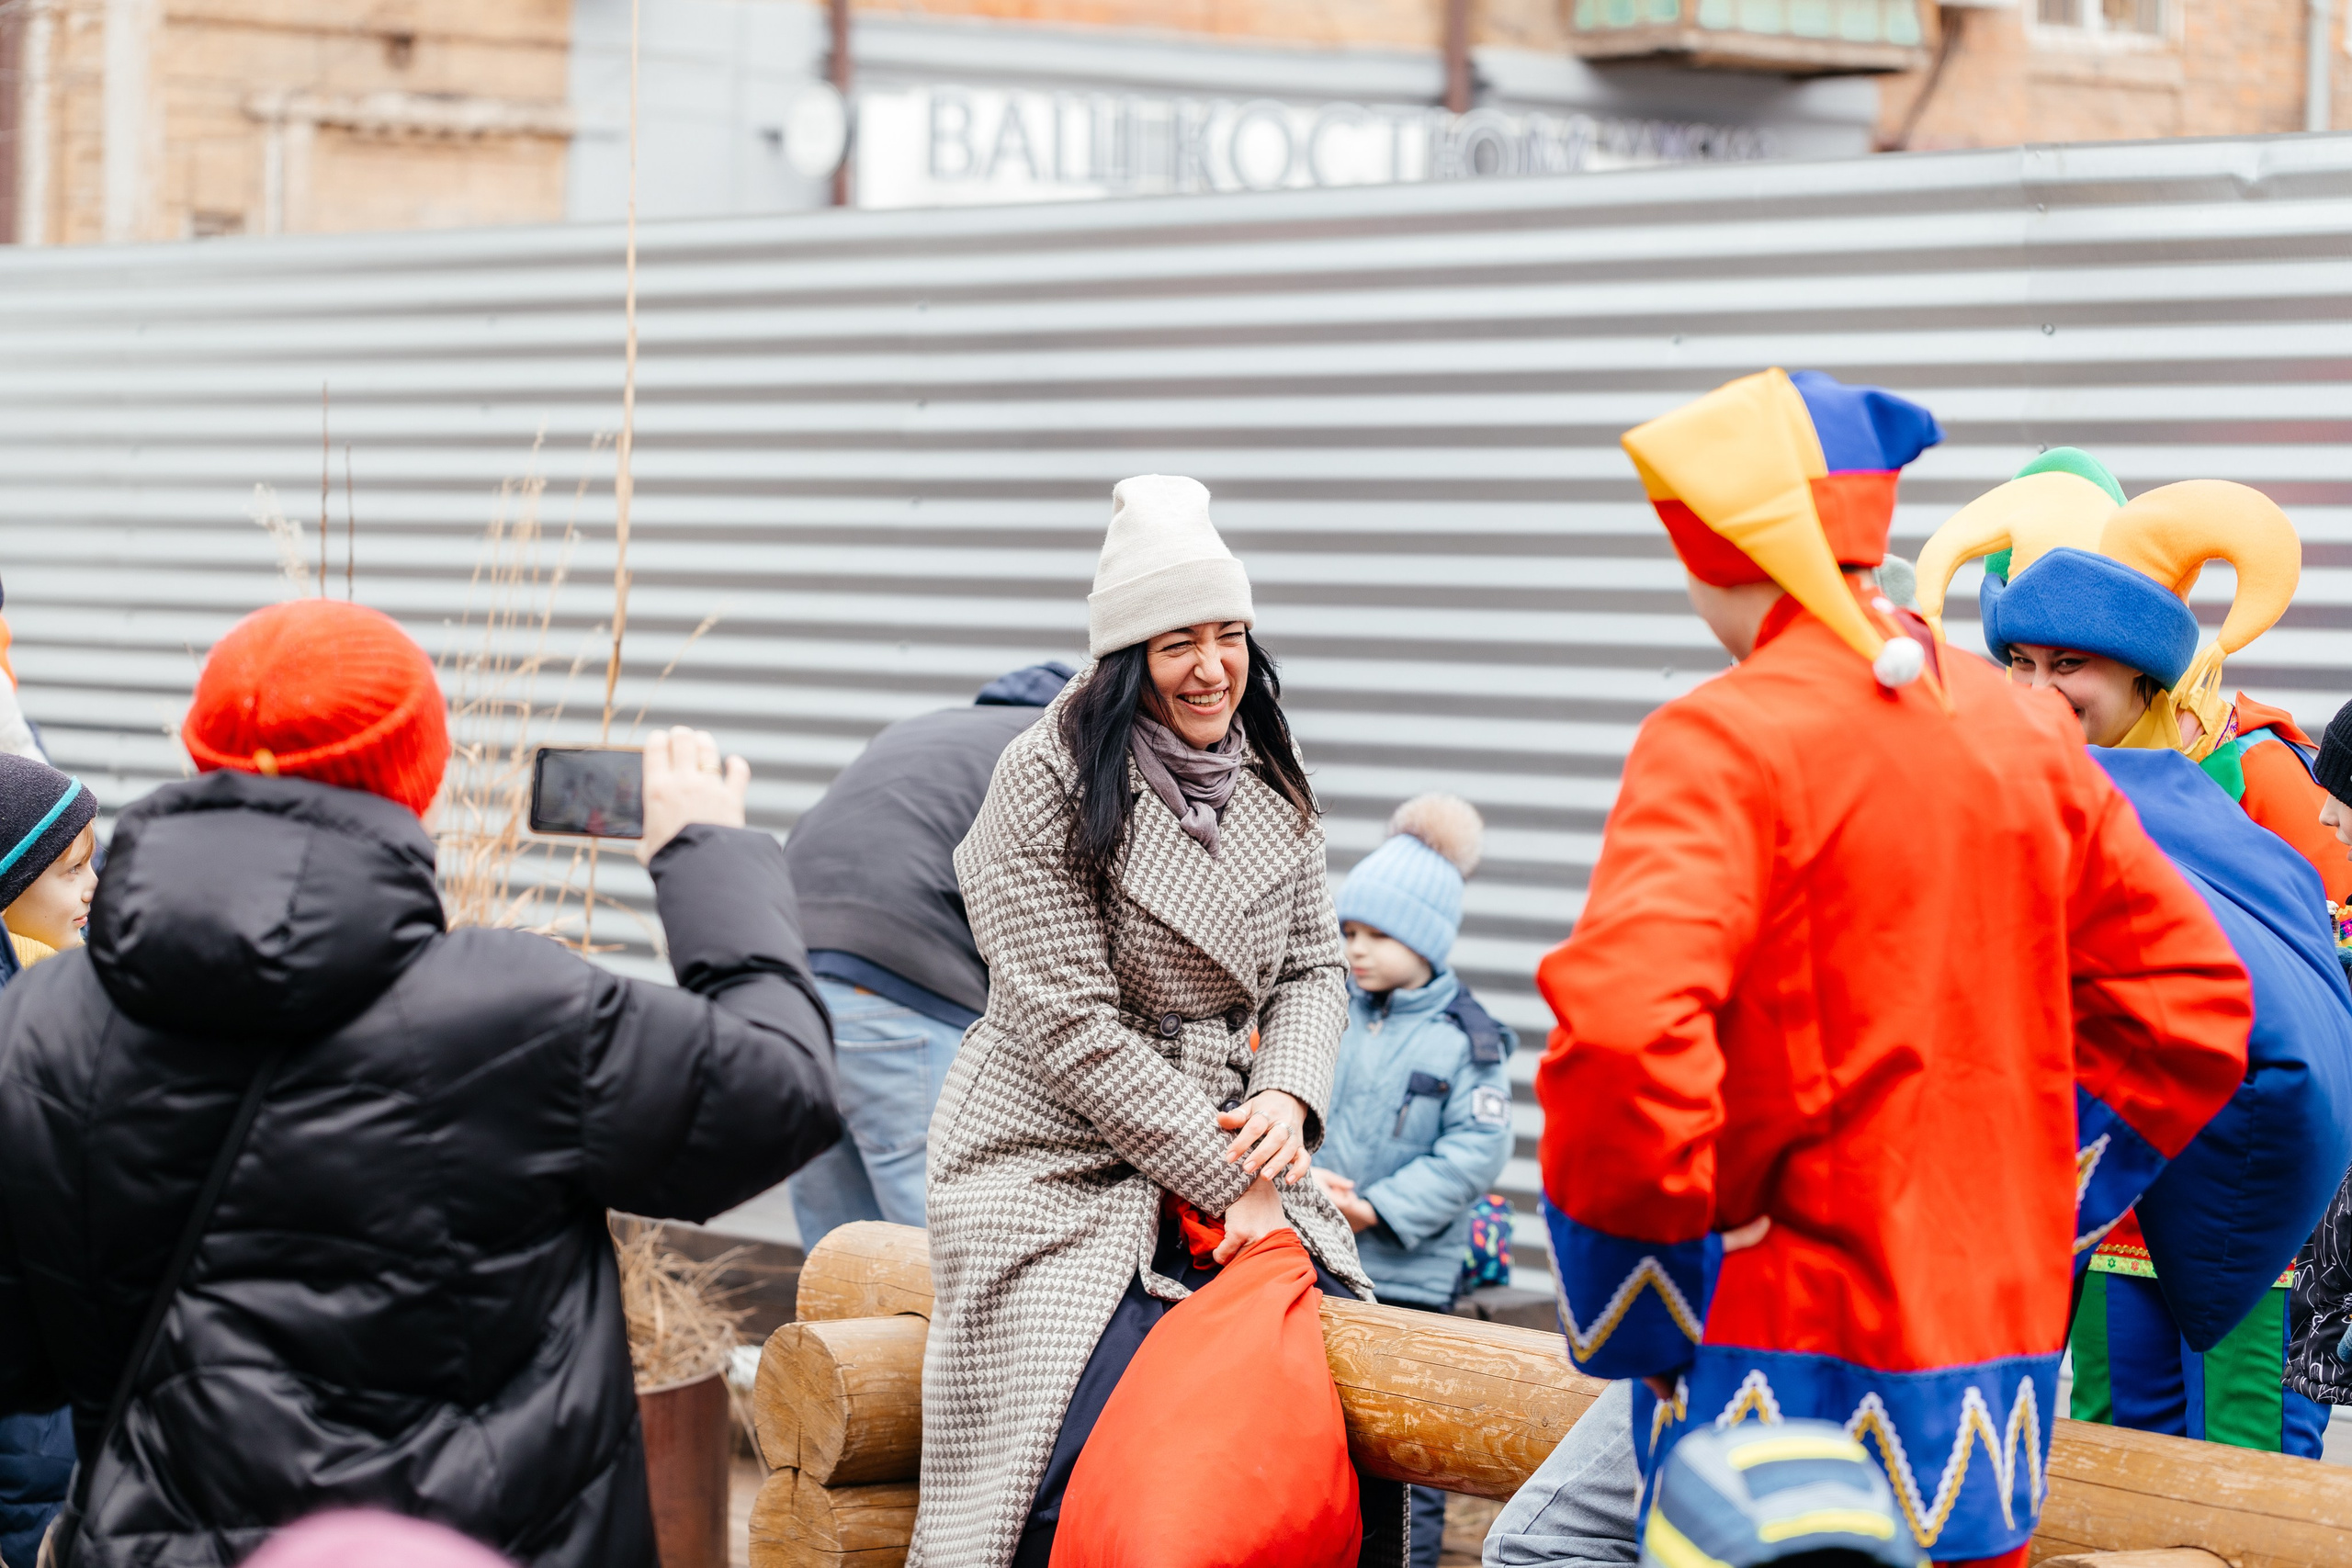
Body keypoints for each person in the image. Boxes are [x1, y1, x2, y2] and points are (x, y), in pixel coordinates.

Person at [1534, 369, 2252, 1567]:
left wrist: (1654, 1289)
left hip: (1767, 1356)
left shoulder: (1719, 738)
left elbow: (1620, 1035)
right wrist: (2041, 1200)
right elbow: (2191, 1010)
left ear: (1715, 547)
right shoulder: (2023, 728)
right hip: (1990, 1377)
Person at [0, 599, 842, 1568]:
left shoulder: (40, 1027)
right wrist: (705, 854)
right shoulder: (522, 1012)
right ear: (419, 780)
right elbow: (780, 1088)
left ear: (202, 757)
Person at [913, 474, 1383, 1568]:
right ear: (1127, 658)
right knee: (1068, 1442)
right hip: (1050, 1150)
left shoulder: (1270, 763)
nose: (1212, 668)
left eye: (1229, 636)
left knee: (1323, 1409)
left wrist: (1288, 1094)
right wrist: (1241, 1183)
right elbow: (1071, 1031)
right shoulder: (1042, 780)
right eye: (1178, 643)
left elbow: (1315, 963)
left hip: (1228, 1130)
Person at [1916, 452, 2352, 1458]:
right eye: (2017, 663)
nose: (2033, 691)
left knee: (2240, 1457)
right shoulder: (2012, 792)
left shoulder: (2248, 777)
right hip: (2095, 1206)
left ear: (2145, 672)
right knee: (2110, 1446)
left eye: (2066, 666)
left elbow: (2305, 978)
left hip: (2238, 1190)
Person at [779, 660, 1074, 1250]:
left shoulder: (918, 731)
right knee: (946, 1259)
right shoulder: (1054, 751)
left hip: (787, 991)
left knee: (839, 1265)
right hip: (898, 995)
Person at [1312, 793, 1514, 1568]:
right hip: (1325, 1265)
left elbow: (1477, 1149)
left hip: (1408, 1277)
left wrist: (1375, 1208)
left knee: (1412, 1453)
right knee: (1333, 1435)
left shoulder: (1470, 1037)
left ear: (1426, 938)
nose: (1356, 950)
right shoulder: (1326, 1006)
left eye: (1378, 935)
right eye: (1350, 932)